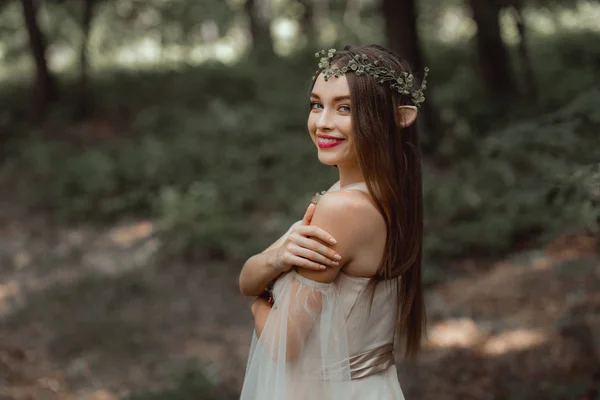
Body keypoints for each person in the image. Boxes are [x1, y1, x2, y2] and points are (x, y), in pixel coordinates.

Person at [238, 44, 428, 400]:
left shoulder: (343, 208)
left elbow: (283, 343)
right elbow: (248, 277)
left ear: (396, 118)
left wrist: (258, 304)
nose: (322, 122)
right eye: (316, 104)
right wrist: (277, 258)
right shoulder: (389, 191)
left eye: (345, 108)